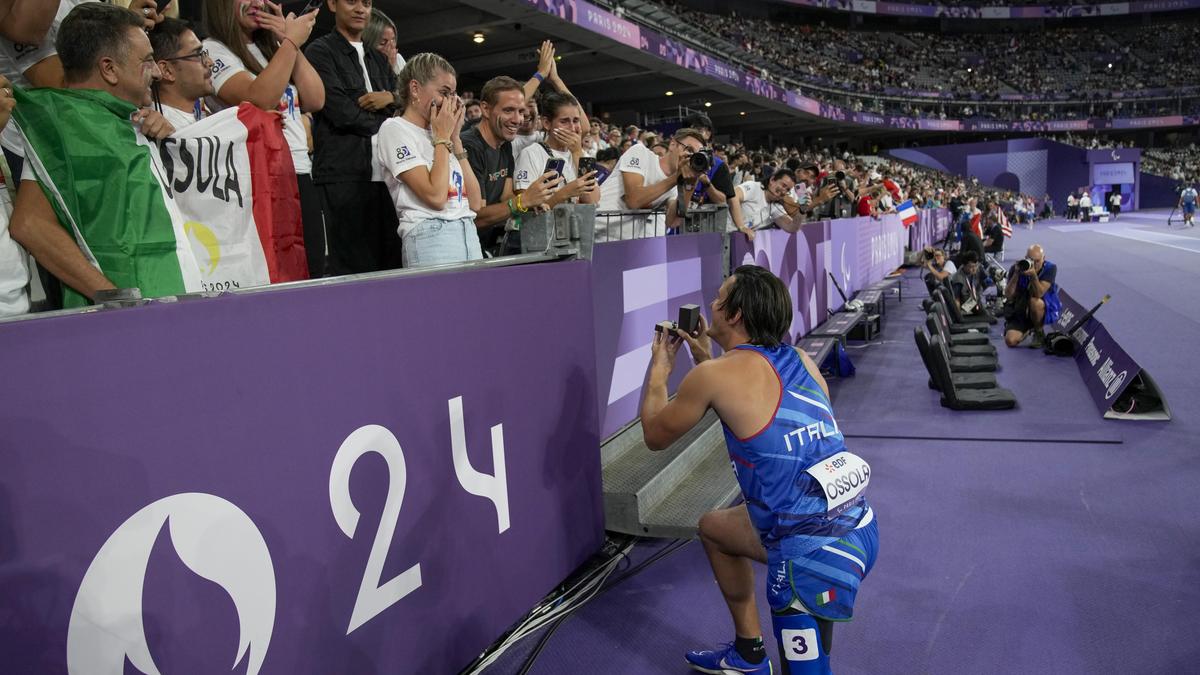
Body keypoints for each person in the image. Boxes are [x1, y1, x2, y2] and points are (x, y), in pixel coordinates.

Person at [640, 265, 878, 675]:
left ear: (734, 315)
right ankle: (749, 653)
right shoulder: (802, 359)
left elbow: (655, 435)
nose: (711, 305)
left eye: (719, 298)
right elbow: (753, 397)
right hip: (861, 529)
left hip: (809, 555)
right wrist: (704, 358)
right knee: (714, 527)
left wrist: (659, 371)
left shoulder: (714, 375)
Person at [9, 2, 177, 306]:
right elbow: (30, 223)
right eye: (149, 61)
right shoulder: (67, 128)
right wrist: (115, 296)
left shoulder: (142, 124)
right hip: (125, 326)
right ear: (109, 69)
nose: (158, 72)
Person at [203, 0, 325, 276]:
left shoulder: (272, 48)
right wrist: (291, 43)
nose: (258, 3)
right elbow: (259, 97)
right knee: (278, 276)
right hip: (261, 178)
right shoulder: (213, 49)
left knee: (313, 272)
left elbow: (316, 98)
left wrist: (286, 39)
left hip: (299, 172)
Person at [305, 0, 401, 275]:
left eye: (367, 3)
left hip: (386, 177)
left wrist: (391, 98)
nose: (361, 8)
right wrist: (389, 119)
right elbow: (342, 113)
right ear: (333, 5)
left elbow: (404, 109)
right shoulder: (320, 51)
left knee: (391, 265)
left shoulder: (379, 59)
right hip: (343, 176)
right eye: (352, 1)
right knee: (350, 269)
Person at [375, 52, 482, 268]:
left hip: (468, 232)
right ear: (415, 88)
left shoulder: (441, 132)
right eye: (444, 93)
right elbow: (435, 196)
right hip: (431, 236)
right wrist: (442, 138)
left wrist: (455, 140)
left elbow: (476, 203)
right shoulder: (394, 129)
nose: (450, 103)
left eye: (453, 94)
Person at [510, 90, 598, 252]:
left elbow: (592, 200)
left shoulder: (580, 154)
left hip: (576, 239)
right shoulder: (531, 153)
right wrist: (563, 194)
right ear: (547, 123)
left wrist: (577, 152)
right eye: (564, 121)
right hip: (541, 244)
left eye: (576, 121)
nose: (573, 128)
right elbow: (527, 211)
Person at [596, 127, 705, 241]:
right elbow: (634, 199)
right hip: (595, 233)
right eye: (689, 150)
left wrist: (690, 185)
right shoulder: (640, 152)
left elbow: (673, 221)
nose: (691, 157)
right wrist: (675, 179)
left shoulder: (674, 185)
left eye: (697, 156)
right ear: (673, 144)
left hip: (623, 244)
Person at [149, 18, 215, 130]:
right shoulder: (162, 131)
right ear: (167, 70)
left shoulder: (198, 112)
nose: (210, 62)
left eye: (203, 53)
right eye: (197, 54)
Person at [1003, 244, 1060, 349]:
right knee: (1010, 341)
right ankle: (1027, 329)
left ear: (1044, 258)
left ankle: (1038, 331)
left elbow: (1039, 293)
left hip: (1041, 307)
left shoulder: (1050, 268)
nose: (1034, 264)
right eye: (1031, 260)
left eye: (1037, 261)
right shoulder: (1017, 267)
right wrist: (1016, 274)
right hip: (1021, 308)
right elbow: (1009, 295)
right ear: (1026, 258)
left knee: (1035, 301)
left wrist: (1033, 275)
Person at [362, 6, 402, 78]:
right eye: (383, 43)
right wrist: (387, 68)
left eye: (393, 39)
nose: (391, 47)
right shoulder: (360, 66)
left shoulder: (398, 59)